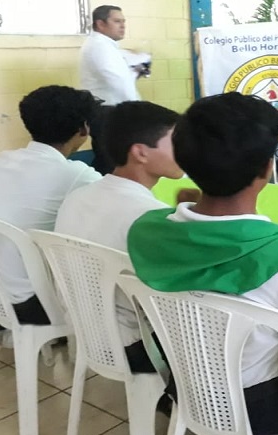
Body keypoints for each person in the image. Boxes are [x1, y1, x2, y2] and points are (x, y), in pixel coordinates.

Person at [127, 92, 278, 435]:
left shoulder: (144, 231)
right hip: (265, 409)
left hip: (186, 388)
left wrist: (188, 203)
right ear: (268, 168)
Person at [55, 101, 186, 373]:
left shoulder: (79, 197)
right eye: (177, 142)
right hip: (133, 345)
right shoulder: (150, 216)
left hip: (85, 332)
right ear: (140, 152)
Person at [0, 86, 102, 334]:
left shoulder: (1, 160)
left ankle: (9, 334)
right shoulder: (75, 175)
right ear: (84, 129)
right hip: (33, 304)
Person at [79, 5, 148, 174]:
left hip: (109, 109)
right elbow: (117, 79)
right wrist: (138, 109)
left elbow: (120, 78)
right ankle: (101, 189)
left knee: (109, 158)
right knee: (111, 161)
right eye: (117, 21)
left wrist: (135, 71)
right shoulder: (99, 46)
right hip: (107, 111)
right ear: (100, 24)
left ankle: (101, 187)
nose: (123, 26)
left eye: (123, 21)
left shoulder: (105, 45)